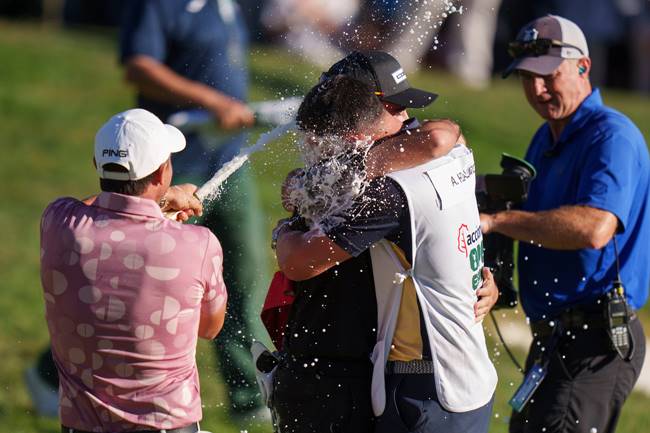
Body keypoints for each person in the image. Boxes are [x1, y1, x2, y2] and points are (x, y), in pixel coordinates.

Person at [272, 51, 498, 433]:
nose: (408, 120)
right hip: (452, 381)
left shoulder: (384, 190)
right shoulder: (445, 157)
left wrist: (282, 230)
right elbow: (447, 135)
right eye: (396, 107)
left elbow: (297, 261)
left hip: (419, 388)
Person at [483, 15, 649, 433]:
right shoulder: (548, 136)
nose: (537, 90)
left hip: (595, 341)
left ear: (583, 67)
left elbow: (593, 228)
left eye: (548, 76)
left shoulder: (612, 137)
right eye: (526, 78)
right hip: (557, 339)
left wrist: (499, 222)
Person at [118, 0, 268, 419]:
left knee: (243, 273)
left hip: (229, 160)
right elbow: (138, 67)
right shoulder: (160, 6)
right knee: (133, 277)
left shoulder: (228, 5)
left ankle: (248, 398)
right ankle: (58, 370)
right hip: (171, 164)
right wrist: (211, 101)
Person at [40, 109, 227, 432]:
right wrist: (162, 203)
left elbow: (89, 208)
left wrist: (156, 204)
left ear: (97, 165)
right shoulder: (198, 244)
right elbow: (209, 327)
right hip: (167, 424)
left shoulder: (58, 222)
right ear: (162, 172)